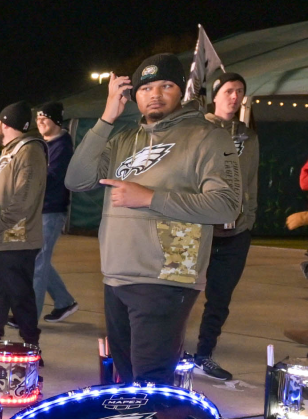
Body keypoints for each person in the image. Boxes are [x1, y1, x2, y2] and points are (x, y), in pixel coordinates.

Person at [66, 54, 240, 385]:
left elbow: (227, 205)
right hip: (117, 275)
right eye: (145, 87)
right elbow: (76, 180)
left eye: (166, 85)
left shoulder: (207, 136)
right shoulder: (122, 139)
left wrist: (150, 198)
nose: (155, 94)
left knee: (151, 380)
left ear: (182, 92)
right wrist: (106, 119)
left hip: (165, 278)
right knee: (129, 375)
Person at [193, 72, 259, 381]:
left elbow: (251, 180)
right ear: (215, 95)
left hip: (235, 233)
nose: (235, 96)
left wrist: (249, 219)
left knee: (219, 298)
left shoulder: (248, 134)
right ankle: (168, 350)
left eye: (240, 91)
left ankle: (204, 354)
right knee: (179, 292)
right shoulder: (198, 128)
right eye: (229, 90)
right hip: (200, 229)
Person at [0, 101, 45, 348]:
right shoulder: (7, 151)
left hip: (15, 239)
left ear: (2, 123)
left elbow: (24, 198)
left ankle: (30, 344)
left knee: (20, 296)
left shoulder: (29, 150)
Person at [34, 101, 78, 323]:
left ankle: (29, 315)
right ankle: (64, 302)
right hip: (40, 210)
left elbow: (49, 178)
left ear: (56, 120)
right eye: (38, 117)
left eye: (45, 117)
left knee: (38, 262)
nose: (40, 121)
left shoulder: (62, 146)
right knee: (39, 259)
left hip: (51, 211)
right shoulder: (44, 144)